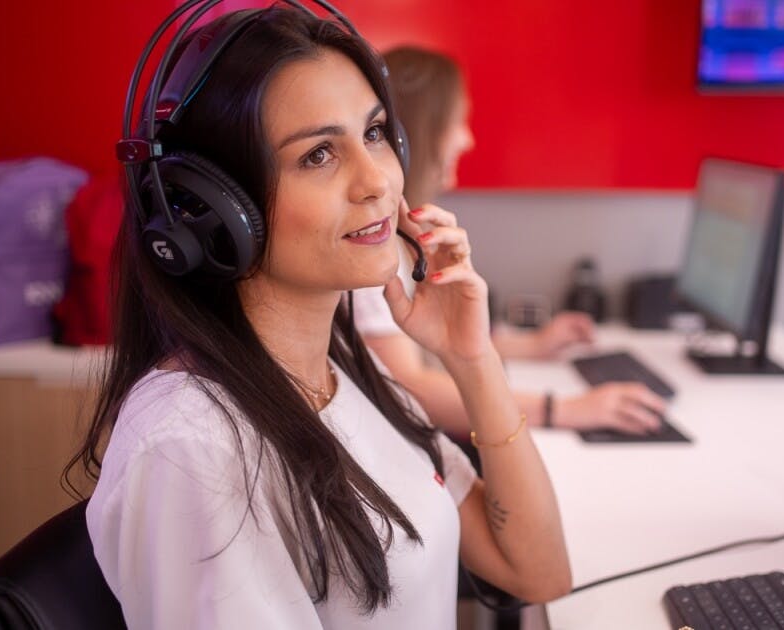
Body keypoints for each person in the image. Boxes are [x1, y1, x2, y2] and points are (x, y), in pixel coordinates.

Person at [70, 7, 570, 628]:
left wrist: (473, 360)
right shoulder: (192, 447)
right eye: (317, 156)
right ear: (213, 209)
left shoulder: (345, 375)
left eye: (376, 133)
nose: (377, 182)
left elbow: (537, 572)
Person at [351, 46, 667, 436]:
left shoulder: (408, 238)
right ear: (415, 133)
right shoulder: (371, 257)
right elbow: (411, 389)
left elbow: (441, 341)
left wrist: (531, 346)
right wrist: (564, 409)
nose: (467, 139)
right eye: (458, 121)